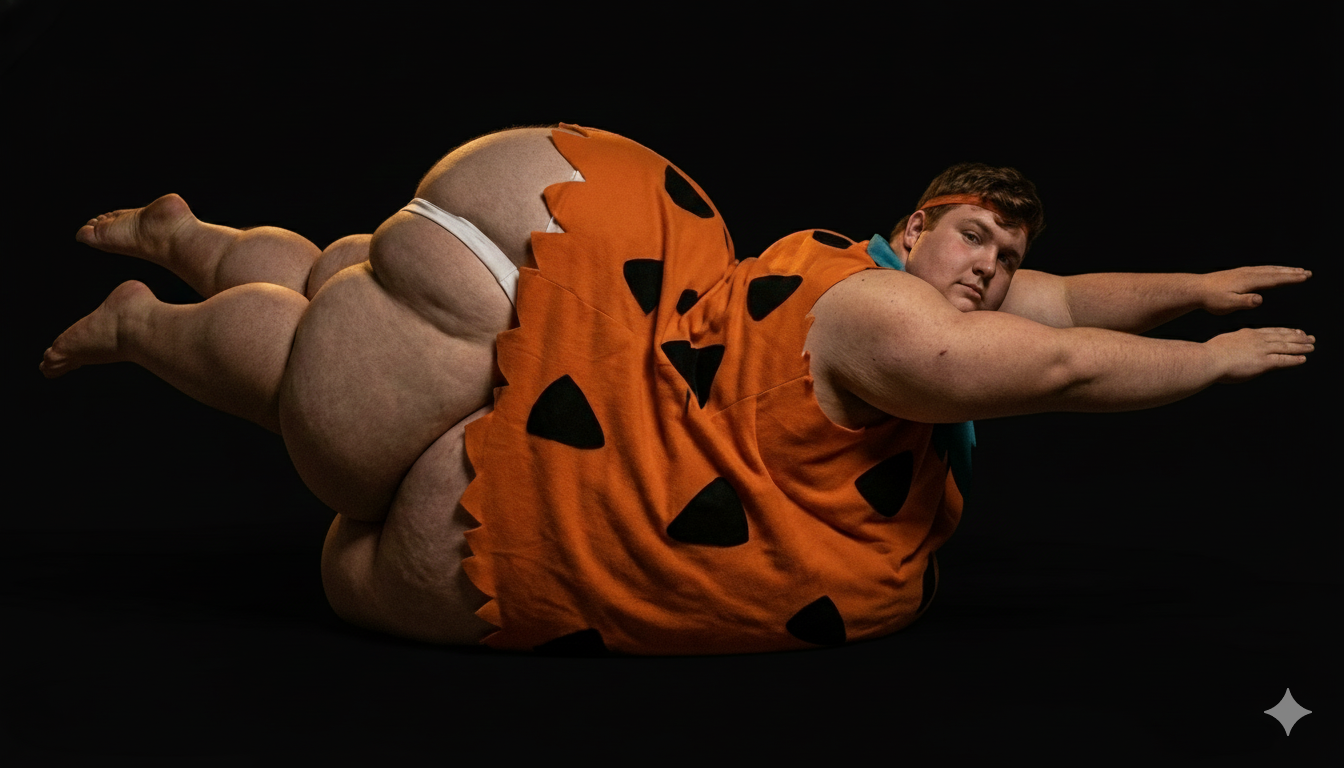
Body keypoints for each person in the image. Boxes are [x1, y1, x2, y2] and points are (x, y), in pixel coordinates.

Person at [40, 124, 1314, 655]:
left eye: (1007, 257)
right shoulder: (886, 319)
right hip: (550, 465)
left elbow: (1074, 305)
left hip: (564, 260)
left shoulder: (878, 275)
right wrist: (1211, 367)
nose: (993, 270)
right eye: (975, 239)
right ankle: (146, 325)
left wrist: (1198, 288)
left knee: (340, 286)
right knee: (323, 383)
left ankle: (190, 236)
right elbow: (1061, 362)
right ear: (917, 228)